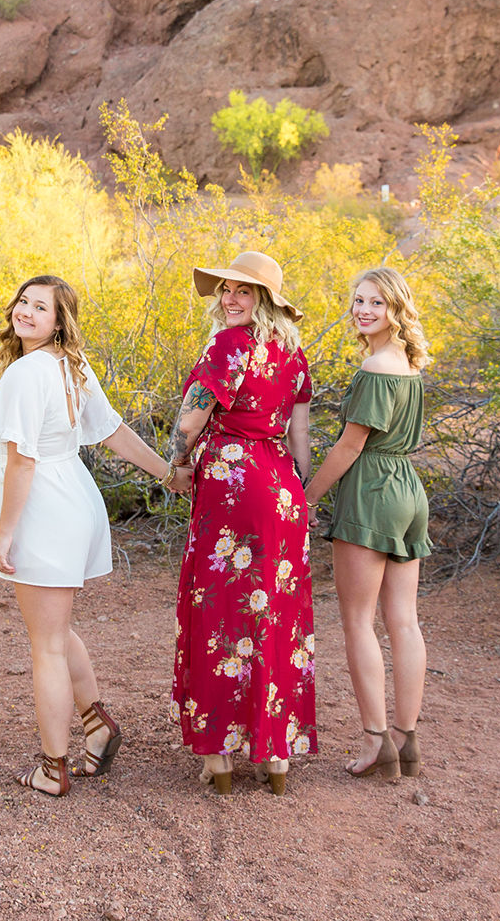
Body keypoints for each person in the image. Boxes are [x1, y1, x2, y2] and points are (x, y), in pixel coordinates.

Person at [0, 274, 182, 798]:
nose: (25, 311)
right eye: (22, 300)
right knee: (58, 630)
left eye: (40, 307)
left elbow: (22, 461)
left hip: (43, 504)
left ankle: (53, 766)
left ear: (58, 321)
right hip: (74, 498)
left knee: (44, 643)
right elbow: (113, 431)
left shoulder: (29, 373)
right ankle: (96, 723)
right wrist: (166, 473)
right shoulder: (71, 366)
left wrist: (3, 537)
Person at [168, 251, 317, 796]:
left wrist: (178, 464)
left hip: (232, 482)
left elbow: (192, 416)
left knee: (220, 608)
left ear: (265, 301)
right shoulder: (293, 352)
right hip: (281, 488)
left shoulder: (226, 345)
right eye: (226, 290)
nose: (229, 299)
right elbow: (299, 433)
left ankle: (218, 755)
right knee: (276, 613)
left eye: (243, 292)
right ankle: (275, 755)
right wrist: (300, 492)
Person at [304, 267, 432, 781]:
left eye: (376, 303)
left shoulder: (376, 368)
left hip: (373, 490)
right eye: (358, 300)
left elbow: (350, 445)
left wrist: (307, 497)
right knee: (403, 620)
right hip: (407, 486)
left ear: (395, 309)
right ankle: (406, 739)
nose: (363, 310)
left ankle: (377, 741)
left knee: (359, 620)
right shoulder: (407, 365)